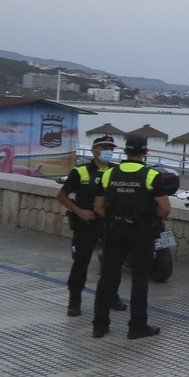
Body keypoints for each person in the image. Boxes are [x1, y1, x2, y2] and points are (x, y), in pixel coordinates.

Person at [93, 134, 169, 339]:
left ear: (125, 151)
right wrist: (152, 220)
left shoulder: (109, 173)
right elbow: (165, 209)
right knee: (139, 280)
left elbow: (98, 207)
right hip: (141, 233)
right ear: (145, 152)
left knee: (107, 278)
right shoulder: (151, 175)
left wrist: (114, 219)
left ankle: (99, 326)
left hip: (114, 231)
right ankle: (137, 326)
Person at [56, 136, 128, 317]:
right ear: (94, 150)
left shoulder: (117, 170)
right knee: (81, 261)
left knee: (113, 263)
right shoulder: (81, 171)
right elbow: (62, 195)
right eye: (104, 147)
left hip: (110, 222)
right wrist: (78, 211)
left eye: (111, 147)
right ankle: (74, 301)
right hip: (87, 222)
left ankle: (112, 296)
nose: (108, 150)